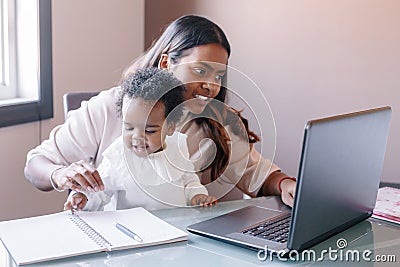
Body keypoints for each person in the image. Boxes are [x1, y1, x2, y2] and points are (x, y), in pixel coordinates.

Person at [24, 15, 296, 207]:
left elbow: (257, 175)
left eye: (219, 76)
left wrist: (285, 185)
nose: (211, 86)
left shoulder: (216, 122)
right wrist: (59, 175)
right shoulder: (110, 107)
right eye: (200, 71)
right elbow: (36, 165)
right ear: (166, 63)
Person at [64, 68, 217, 211]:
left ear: (170, 127)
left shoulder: (177, 148)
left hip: (175, 228)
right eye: (129, 128)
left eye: (149, 130)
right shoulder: (118, 156)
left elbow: (189, 180)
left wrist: (197, 195)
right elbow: (99, 191)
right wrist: (82, 198)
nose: (137, 137)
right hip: (132, 232)